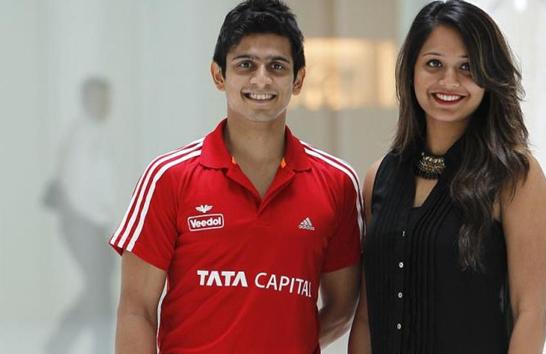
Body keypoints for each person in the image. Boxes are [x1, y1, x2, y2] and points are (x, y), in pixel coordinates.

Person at [109, 1, 363, 353]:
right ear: (219, 75)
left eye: (277, 66)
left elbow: (342, 305)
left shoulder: (337, 183)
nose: (261, 79)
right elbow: (136, 310)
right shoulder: (169, 177)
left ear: (299, 79)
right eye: (246, 65)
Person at [348, 1, 546, 353]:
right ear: (411, 70)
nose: (449, 81)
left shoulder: (515, 177)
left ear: (490, 77)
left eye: (467, 68)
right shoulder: (378, 177)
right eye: (434, 64)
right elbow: (368, 315)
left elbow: (530, 313)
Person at [43, 77, 116, 354]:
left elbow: (101, 186)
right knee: (99, 286)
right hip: (82, 222)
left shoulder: (98, 133)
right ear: (86, 100)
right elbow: (75, 185)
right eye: (99, 98)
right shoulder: (82, 136)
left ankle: (64, 344)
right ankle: (71, 344)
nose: (106, 104)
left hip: (93, 223)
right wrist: (94, 223)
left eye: (107, 99)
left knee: (99, 285)